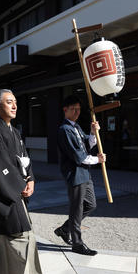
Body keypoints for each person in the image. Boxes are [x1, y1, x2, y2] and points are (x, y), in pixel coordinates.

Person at [0, 89, 58, 274]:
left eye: (15, 102)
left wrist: (30, 178)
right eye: (8, 102)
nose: (14, 106)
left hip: (13, 192)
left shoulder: (13, 131)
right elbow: (0, 168)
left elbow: (24, 158)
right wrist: (18, 187)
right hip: (4, 195)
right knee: (24, 239)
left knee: (0, 241)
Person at [54, 95, 105, 256]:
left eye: (78, 109)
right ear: (65, 110)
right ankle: (77, 243)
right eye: (73, 109)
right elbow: (79, 157)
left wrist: (92, 133)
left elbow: (86, 146)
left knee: (91, 204)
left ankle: (64, 229)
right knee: (77, 209)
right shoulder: (64, 130)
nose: (76, 112)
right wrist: (97, 159)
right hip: (75, 174)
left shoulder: (76, 127)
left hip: (85, 173)